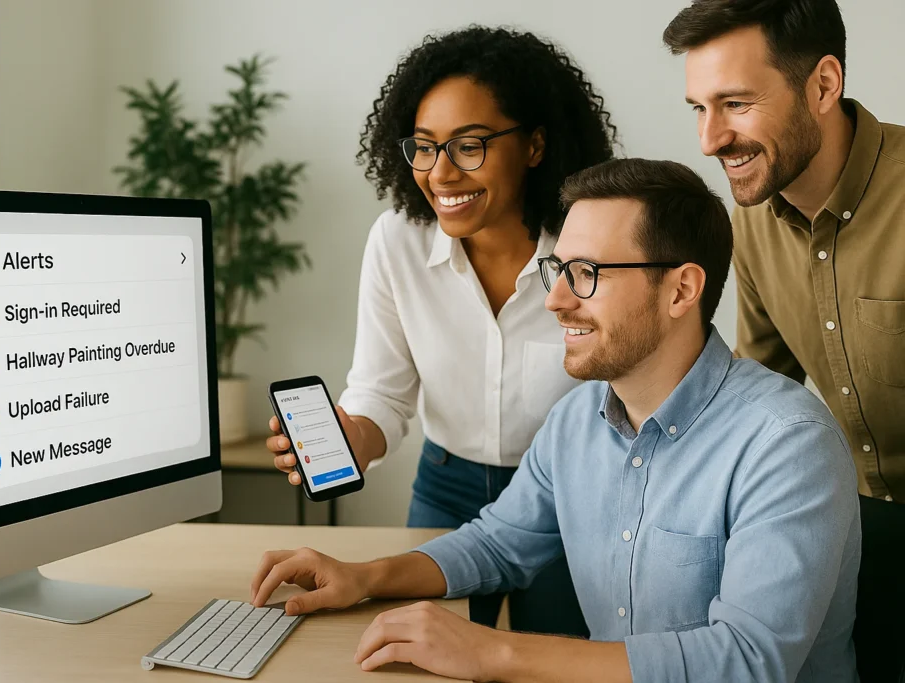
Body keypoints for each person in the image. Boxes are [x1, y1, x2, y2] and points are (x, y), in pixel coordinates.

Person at [251, 159, 861, 683]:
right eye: (558, 269)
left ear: (681, 291)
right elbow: (498, 544)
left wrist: (494, 651)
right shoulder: (575, 422)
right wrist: (363, 577)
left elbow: (748, 662)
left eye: (587, 274)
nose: (555, 299)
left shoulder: (787, 442)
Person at [264, 25, 617, 634]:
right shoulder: (396, 242)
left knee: (558, 660)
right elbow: (382, 394)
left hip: (574, 499)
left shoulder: (594, 251)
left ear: (535, 146)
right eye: (425, 147)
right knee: (421, 658)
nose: (442, 173)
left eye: (470, 145)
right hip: (446, 489)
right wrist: (352, 437)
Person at [664, 0, 905, 502]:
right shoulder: (751, 222)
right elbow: (759, 392)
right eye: (699, 108)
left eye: (736, 104)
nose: (710, 141)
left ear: (823, 85)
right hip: (859, 516)